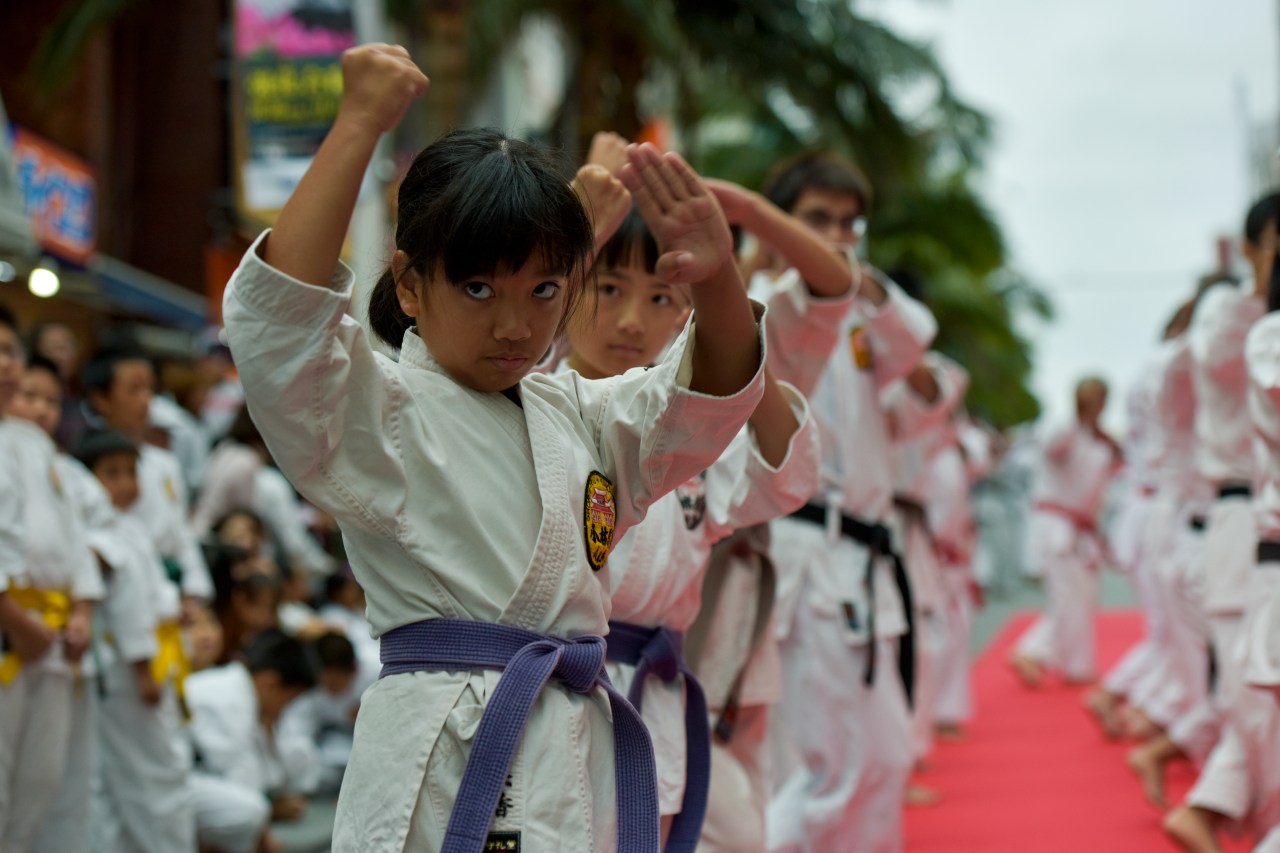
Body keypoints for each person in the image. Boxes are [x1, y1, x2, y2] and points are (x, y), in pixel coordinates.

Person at [221, 43, 768, 852]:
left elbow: (706, 399)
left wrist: (718, 276)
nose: (515, 325)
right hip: (445, 750)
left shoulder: (580, 415)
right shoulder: (377, 409)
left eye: (544, 291)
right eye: (479, 289)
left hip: (568, 744)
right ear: (411, 284)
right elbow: (282, 324)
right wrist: (359, 123)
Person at [556, 190, 822, 847]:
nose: (630, 320)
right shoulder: (533, 402)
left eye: (661, 298)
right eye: (608, 287)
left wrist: (724, 303)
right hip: (559, 690)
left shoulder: (693, 435)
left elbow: (784, 475)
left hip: (659, 696)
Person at [761, 152, 938, 853]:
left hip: (864, 558)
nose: (836, 234)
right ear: (779, 229)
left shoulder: (862, 320)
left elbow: (920, 355)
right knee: (828, 770)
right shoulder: (765, 305)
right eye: (816, 220)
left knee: (887, 756)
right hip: (808, 553)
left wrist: (855, 279)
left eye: (847, 223)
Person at [1165, 196, 1280, 852]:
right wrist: (1265, 279)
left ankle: (1209, 806)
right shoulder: (1234, 313)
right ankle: (1224, 810)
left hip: (1251, 515)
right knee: (1250, 696)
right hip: (1241, 517)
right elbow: (1221, 356)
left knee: (1254, 702)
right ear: (1251, 247)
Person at [0, 306, 103, 853]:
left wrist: (82, 610)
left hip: (53, 634)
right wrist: (14, 620)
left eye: (9, 353)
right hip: (13, 630)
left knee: (41, 783)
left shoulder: (47, 456)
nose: (5, 367)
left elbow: (73, 543)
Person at [67, 428, 196, 852]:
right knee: (156, 778)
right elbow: (125, 605)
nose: (125, 483)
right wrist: (143, 668)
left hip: (151, 660)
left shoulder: (130, 529)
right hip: (128, 671)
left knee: (132, 779)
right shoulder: (96, 536)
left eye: (130, 472)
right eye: (111, 474)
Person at [1009, 377, 1122, 686]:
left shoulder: (1095, 439)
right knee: (1067, 598)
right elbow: (1050, 448)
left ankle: (1058, 660)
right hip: (1057, 526)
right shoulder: (1063, 430)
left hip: (1081, 529)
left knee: (1083, 599)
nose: (1098, 406)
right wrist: (1078, 420)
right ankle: (1042, 654)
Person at [82, 346, 213, 610]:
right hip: (119, 594)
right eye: (133, 390)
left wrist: (194, 590)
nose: (146, 401)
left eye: (149, 389)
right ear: (100, 399)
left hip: (172, 591)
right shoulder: (84, 463)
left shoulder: (165, 463)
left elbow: (181, 533)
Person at [186, 628, 319, 853]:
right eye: (287, 701)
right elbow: (238, 776)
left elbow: (265, 766)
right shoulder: (227, 699)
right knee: (249, 812)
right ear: (271, 683)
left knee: (300, 751)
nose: (284, 710)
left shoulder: (246, 691)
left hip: (200, 777)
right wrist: (269, 819)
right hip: (174, 783)